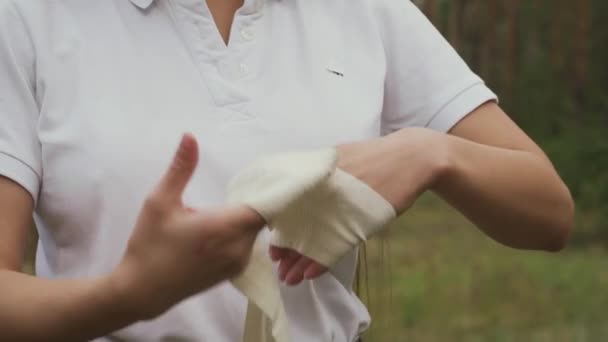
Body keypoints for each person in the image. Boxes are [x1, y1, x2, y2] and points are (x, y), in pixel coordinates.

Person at [0, 0, 574, 341]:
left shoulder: (364, 10)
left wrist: (431, 153)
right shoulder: (29, 17)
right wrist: (127, 295)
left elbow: (549, 213)